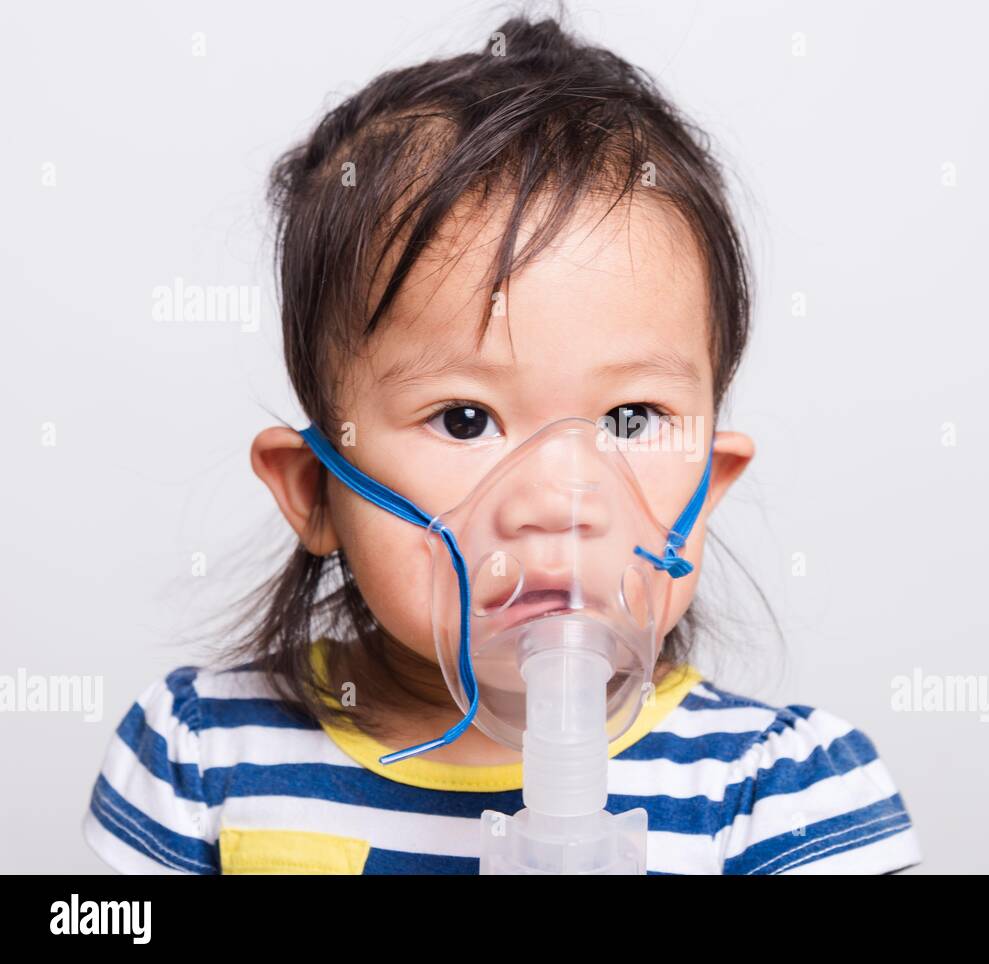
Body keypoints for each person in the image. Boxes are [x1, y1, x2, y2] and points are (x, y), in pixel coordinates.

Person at [83, 11, 922, 875]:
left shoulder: (781, 800)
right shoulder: (201, 760)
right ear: (313, 490)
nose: (559, 504)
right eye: (464, 419)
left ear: (709, 486)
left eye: (630, 420)